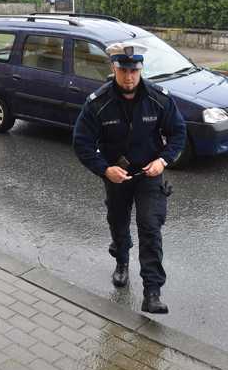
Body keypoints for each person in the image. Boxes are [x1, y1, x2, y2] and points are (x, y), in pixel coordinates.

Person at [73, 42, 186, 314]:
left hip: (149, 174)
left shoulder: (159, 98)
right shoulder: (98, 103)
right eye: (123, 70)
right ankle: (122, 262)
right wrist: (104, 169)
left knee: (150, 227)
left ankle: (152, 292)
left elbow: (178, 132)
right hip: (116, 176)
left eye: (134, 70)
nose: (129, 76)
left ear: (141, 69)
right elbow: (82, 142)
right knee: (118, 222)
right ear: (114, 68)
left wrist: (163, 160)